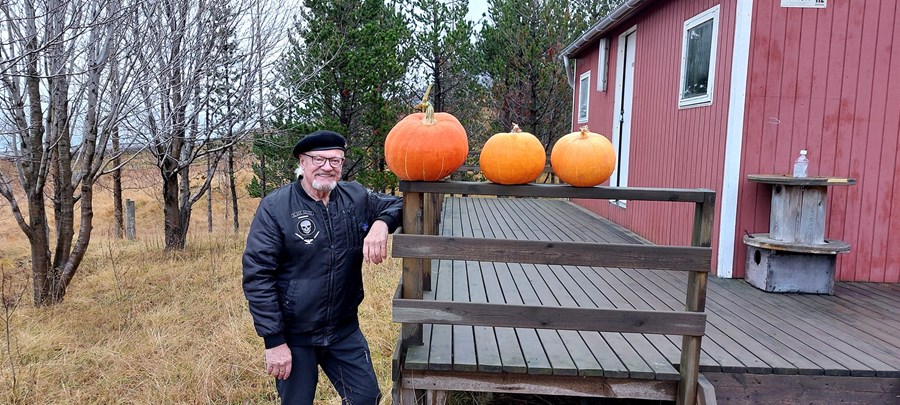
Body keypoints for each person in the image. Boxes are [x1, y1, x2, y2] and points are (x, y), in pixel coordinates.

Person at [242, 130, 402, 404]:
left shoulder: (355, 197)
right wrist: (274, 341)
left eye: (335, 160)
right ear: (302, 162)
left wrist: (381, 224)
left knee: (366, 398)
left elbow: (399, 204)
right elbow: (258, 276)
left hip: (343, 330)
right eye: (319, 159)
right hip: (295, 336)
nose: (327, 167)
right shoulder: (276, 207)